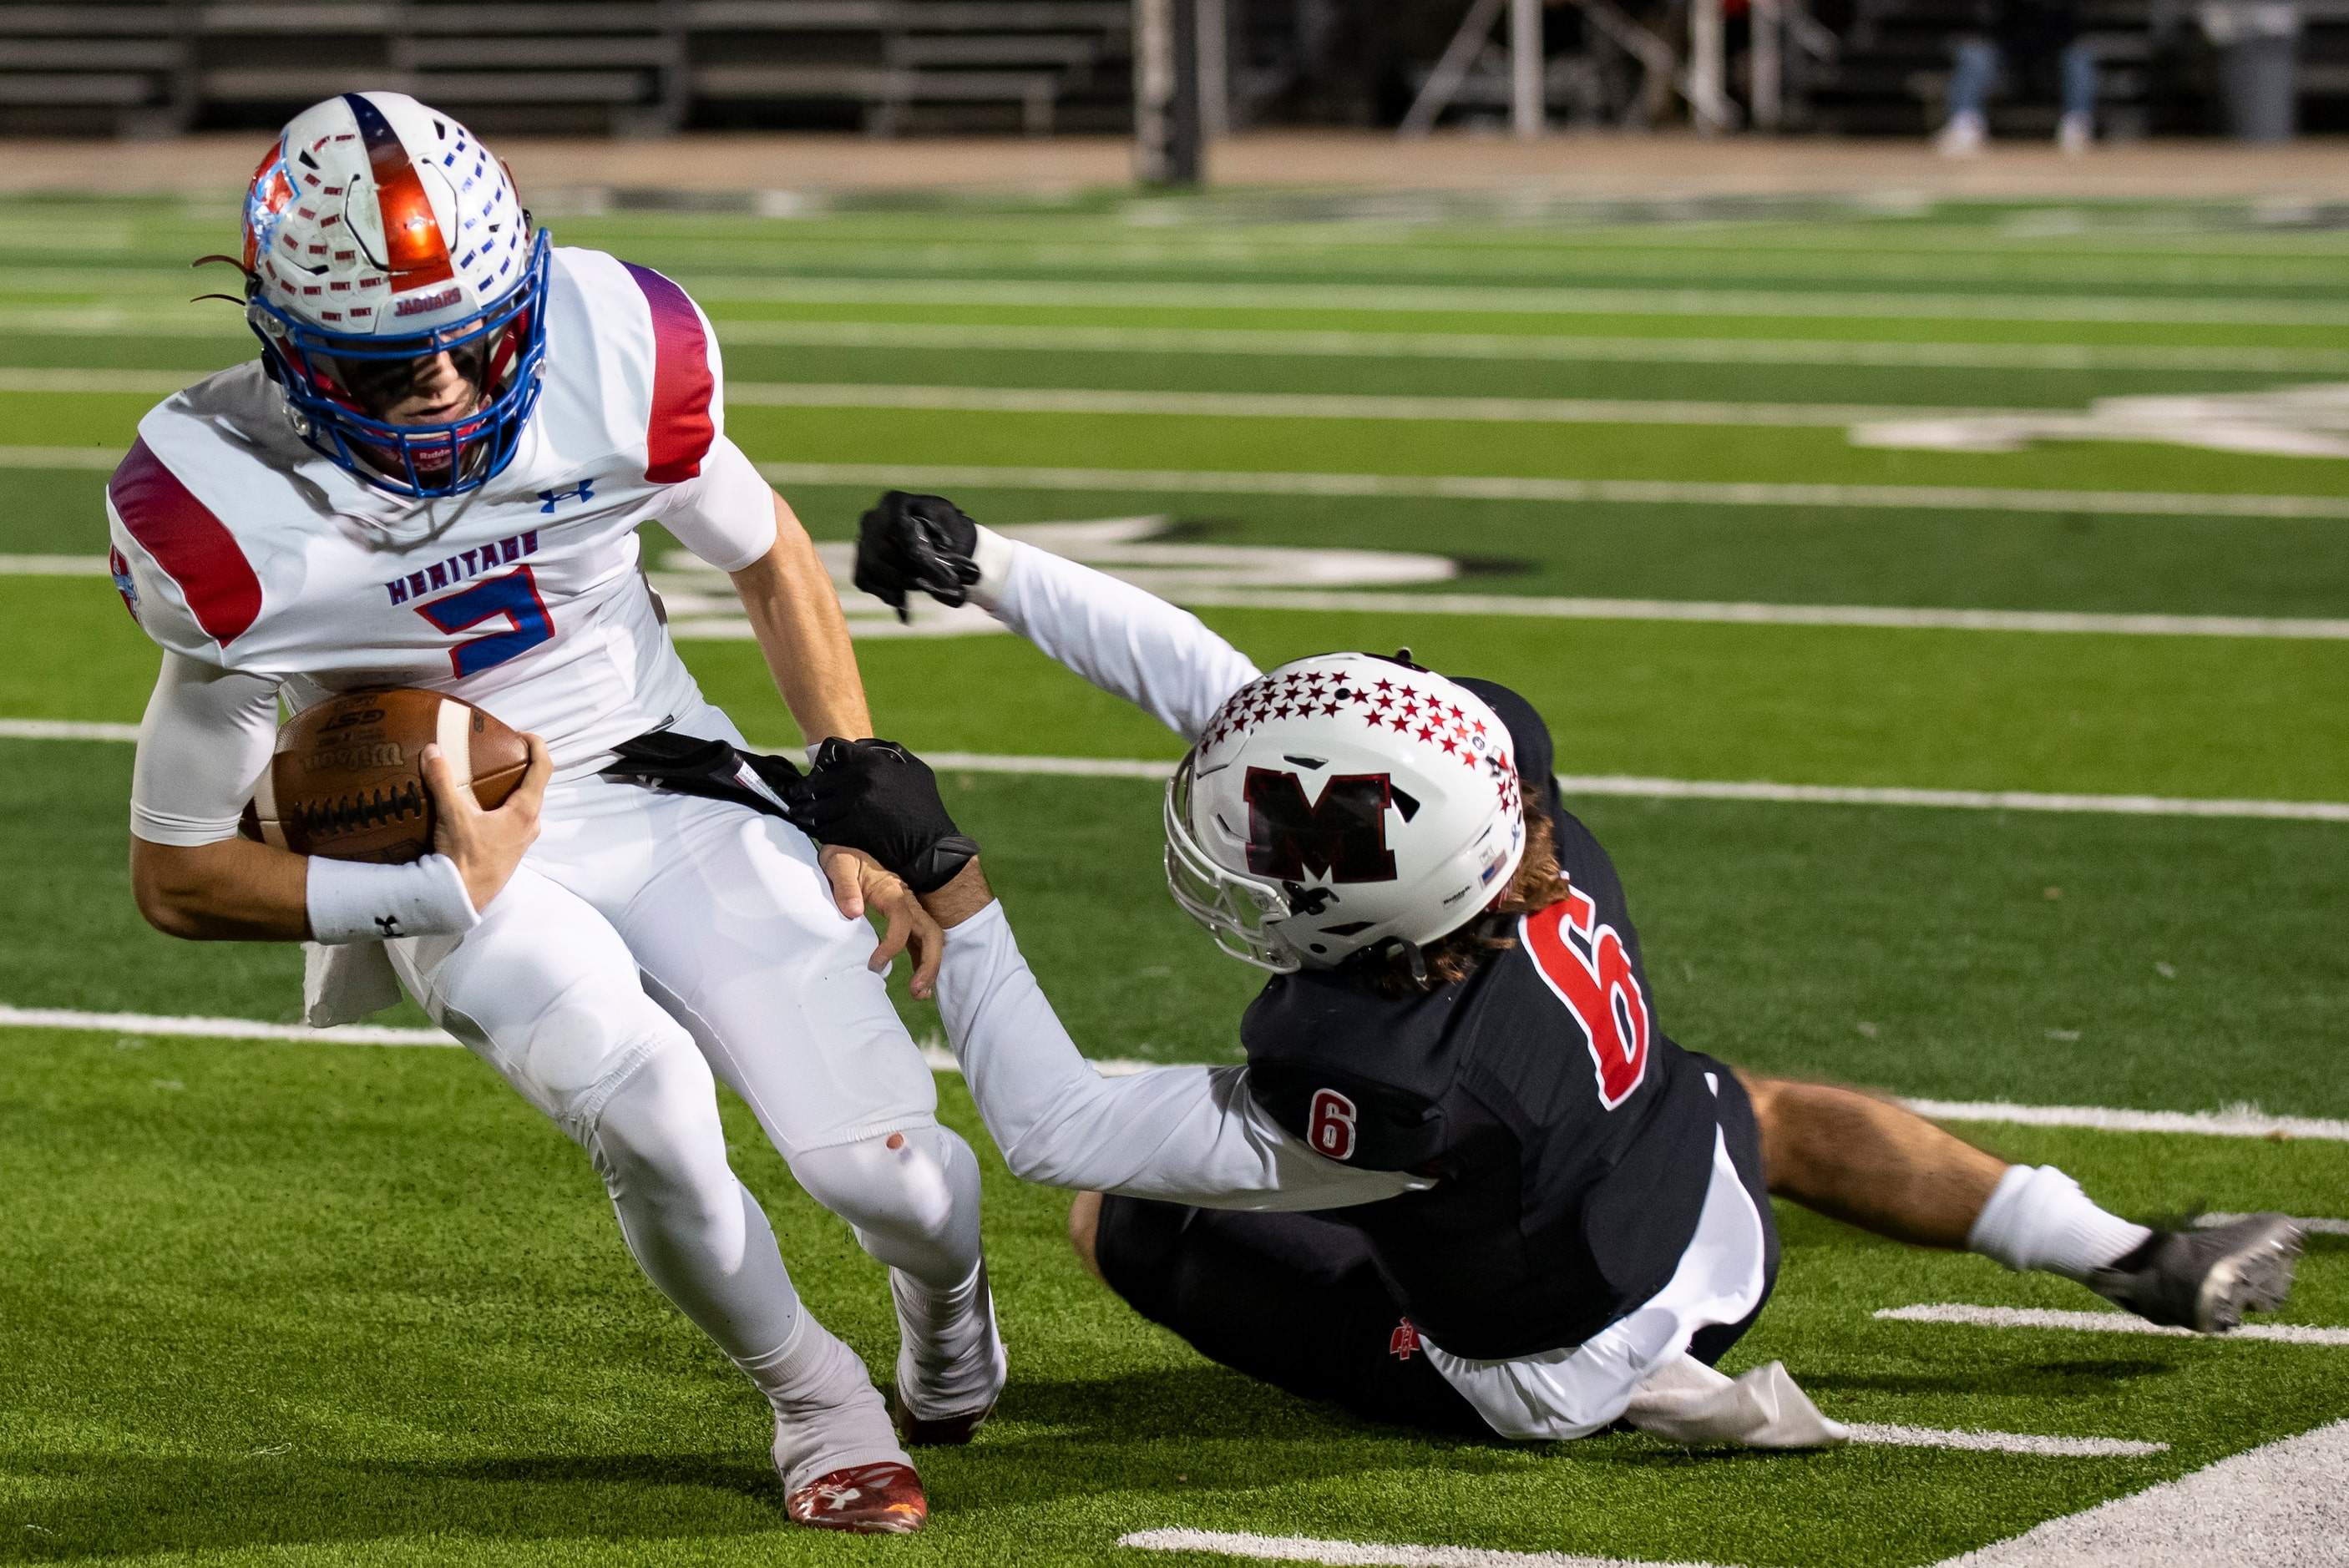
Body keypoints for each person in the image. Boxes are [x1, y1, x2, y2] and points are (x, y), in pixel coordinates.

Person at [801, 493, 2304, 1445]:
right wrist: (993, 569)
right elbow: (1252, 698)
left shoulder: (1383, 1073)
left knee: (1110, 1215)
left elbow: (1057, 1125)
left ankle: (1620, 1392)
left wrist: (955, 880)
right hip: (1695, 1196)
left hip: (1537, 1355)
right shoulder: (1499, 800)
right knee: (1759, 1102)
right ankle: (2116, 1247)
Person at [106, 94, 997, 1533]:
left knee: (889, 1180)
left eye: (480, 334)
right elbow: (177, 871)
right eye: (391, 363)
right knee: (645, 1104)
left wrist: (845, 790)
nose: (451, 383)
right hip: (444, 845)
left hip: (661, 771)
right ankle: (814, 1396)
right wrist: (432, 888)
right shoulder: (213, 502)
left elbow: (769, 552)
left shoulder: (618, 344)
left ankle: (947, 1304)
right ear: (290, 343)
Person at [1936, 0, 2097, 156]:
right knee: (1975, 55)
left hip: (2054, 47)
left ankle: (2077, 128)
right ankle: (1966, 129)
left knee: (2080, 57)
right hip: (2007, 45)